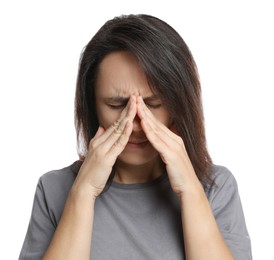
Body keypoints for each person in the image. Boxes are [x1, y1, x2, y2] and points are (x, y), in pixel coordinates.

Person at [19, 14, 252, 260]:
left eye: (153, 104)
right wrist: (83, 192)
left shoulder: (216, 187)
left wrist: (191, 191)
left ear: (178, 106)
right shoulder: (53, 189)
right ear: (93, 105)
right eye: (117, 105)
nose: (135, 123)